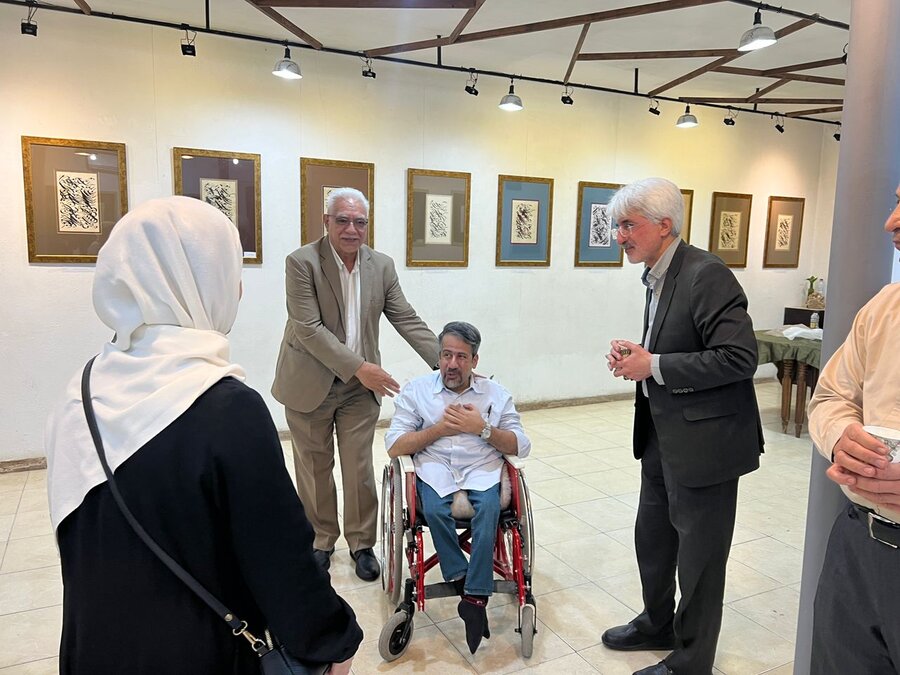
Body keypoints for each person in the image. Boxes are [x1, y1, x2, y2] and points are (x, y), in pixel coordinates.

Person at [45, 196, 362, 674]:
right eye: (229, 271)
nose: (238, 289)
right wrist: (336, 641)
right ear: (196, 280)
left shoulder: (79, 395)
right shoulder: (227, 410)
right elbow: (281, 563)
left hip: (93, 648)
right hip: (199, 652)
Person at [603, 178, 764, 675]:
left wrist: (653, 365)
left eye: (628, 225)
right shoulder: (657, 275)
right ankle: (657, 623)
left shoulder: (706, 273)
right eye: (617, 225)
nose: (619, 236)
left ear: (664, 225)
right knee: (652, 538)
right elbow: (676, 345)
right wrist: (639, 357)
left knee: (700, 559)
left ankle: (692, 661)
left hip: (707, 445)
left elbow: (740, 357)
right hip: (661, 434)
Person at [272, 187, 439, 581]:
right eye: (343, 220)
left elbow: (405, 317)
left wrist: (447, 362)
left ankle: (362, 543)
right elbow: (308, 328)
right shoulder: (302, 262)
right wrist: (361, 367)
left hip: (357, 390)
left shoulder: (381, 266)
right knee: (314, 467)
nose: (351, 229)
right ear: (326, 222)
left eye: (360, 222)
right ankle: (321, 540)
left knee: (358, 466)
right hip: (308, 381)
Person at [385, 321, 531, 654]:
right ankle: (466, 582)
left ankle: (474, 598)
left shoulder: (496, 394)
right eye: (446, 355)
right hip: (434, 468)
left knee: (489, 509)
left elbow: (522, 445)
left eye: (461, 357)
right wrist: (438, 430)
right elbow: (394, 445)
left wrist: (482, 429)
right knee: (435, 510)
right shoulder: (417, 391)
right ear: (439, 356)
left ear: (474, 360)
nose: (452, 363)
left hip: (482, 468)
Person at [806, 182, 900, 674]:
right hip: (858, 544)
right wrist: (841, 434)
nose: (891, 223)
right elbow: (831, 396)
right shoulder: (883, 307)